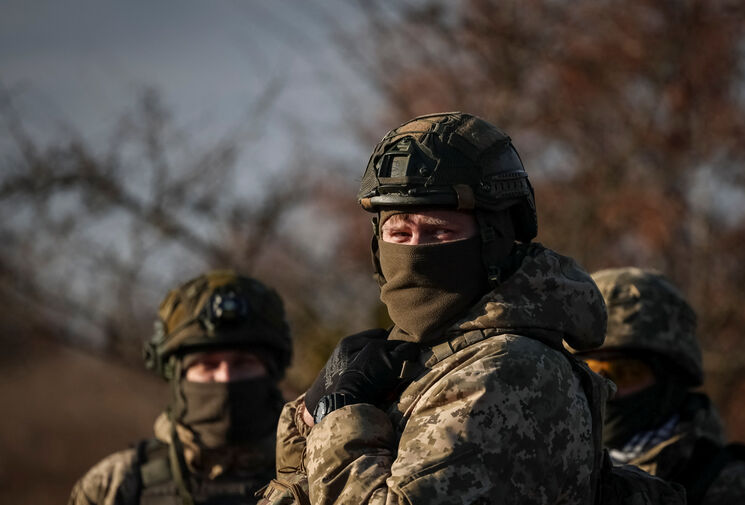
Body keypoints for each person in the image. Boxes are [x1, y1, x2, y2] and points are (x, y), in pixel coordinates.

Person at [260, 112, 635, 505]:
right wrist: (308, 417)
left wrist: (341, 417)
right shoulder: (417, 360)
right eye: (399, 233)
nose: (415, 251)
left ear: (494, 239)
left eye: (440, 232)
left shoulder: (511, 369)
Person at [573, 267, 745, 505]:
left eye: (626, 373)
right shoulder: (544, 475)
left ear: (671, 381)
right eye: (587, 372)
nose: (606, 389)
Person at [69, 270, 292, 505]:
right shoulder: (114, 485)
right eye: (208, 365)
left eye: (243, 363)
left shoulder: (320, 471)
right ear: (177, 376)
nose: (225, 377)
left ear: (272, 371)